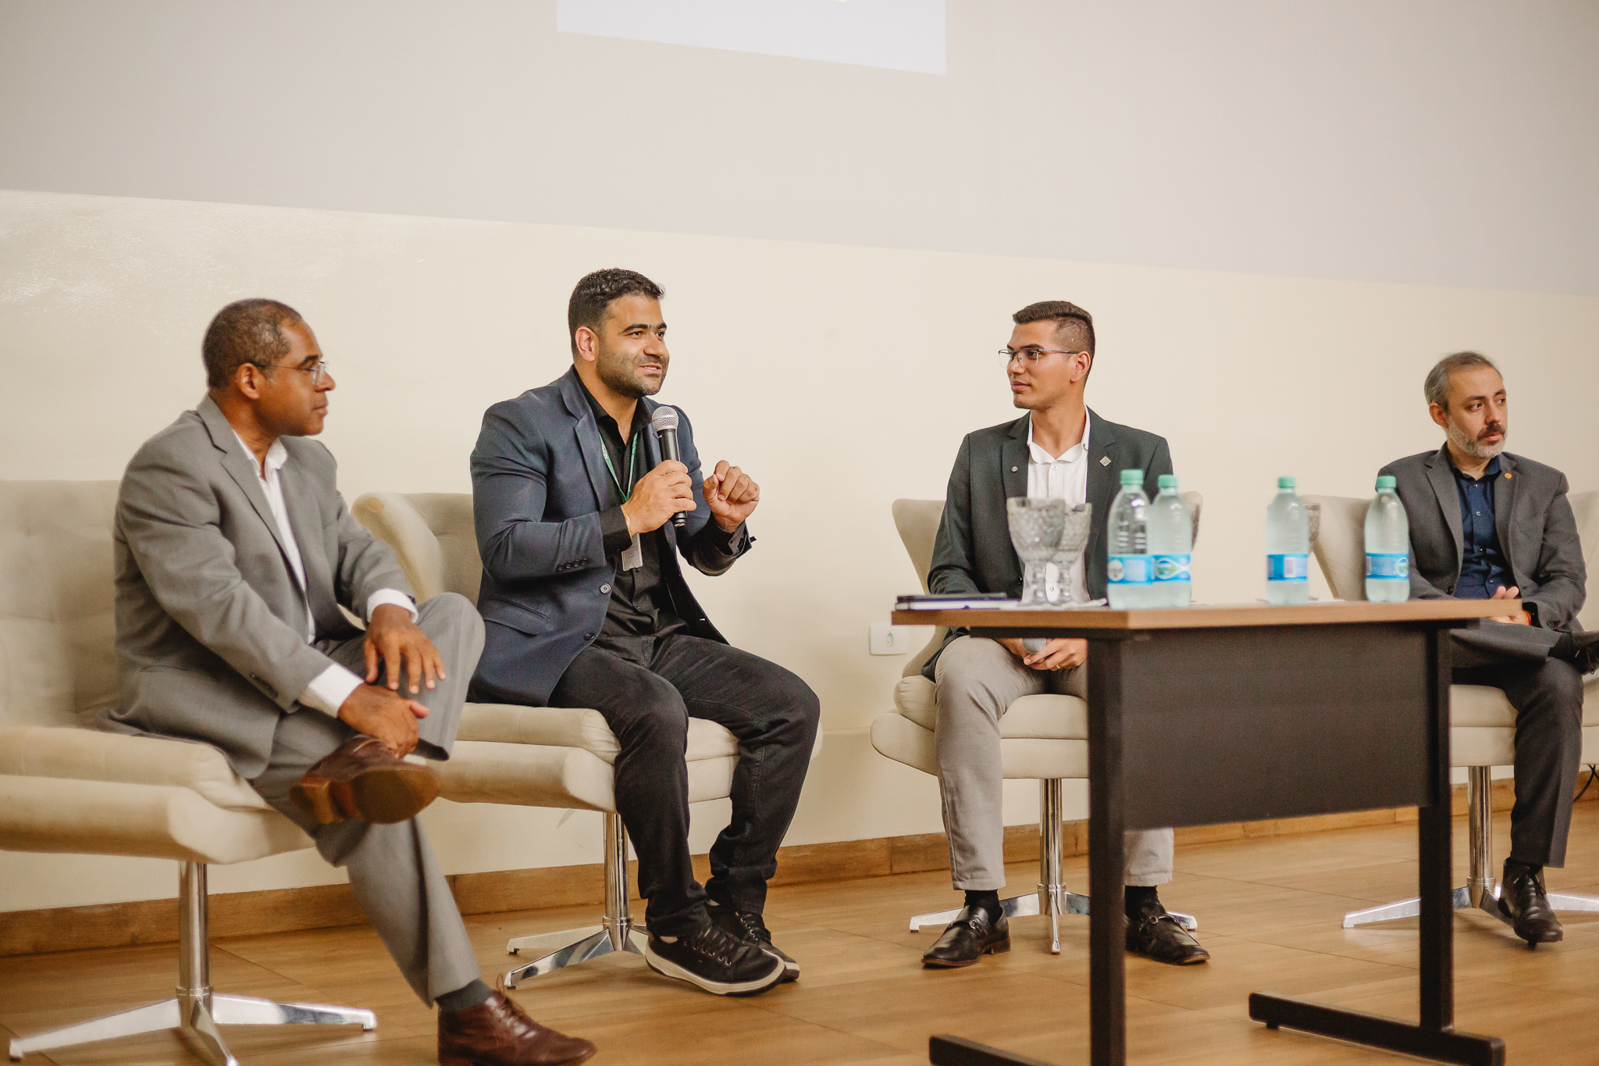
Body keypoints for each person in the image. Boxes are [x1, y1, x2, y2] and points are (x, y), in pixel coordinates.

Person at [105, 299, 595, 1066]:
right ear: (249, 379)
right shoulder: (171, 467)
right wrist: (351, 698)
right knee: (371, 812)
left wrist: (391, 611)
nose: (327, 382)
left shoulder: (307, 462)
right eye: (309, 368)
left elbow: (358, 553)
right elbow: (223, 614)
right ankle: (468, 1013)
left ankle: (378, 759)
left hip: (316, 658)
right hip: (213, 685)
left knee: (451, 615)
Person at [469, 268, 821, 997]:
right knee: (655, 708)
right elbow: (505, 547)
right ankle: (676, 922)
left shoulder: (669, 425)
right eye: (636, 332)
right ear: (586, 341)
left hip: (655, 632)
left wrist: (725, 525)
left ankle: (735, 904)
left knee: (791, 705)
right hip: (560, 640)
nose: (655, 347)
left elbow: (698, 551)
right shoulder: (520, 421)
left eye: (660, 331)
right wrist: (624, 518)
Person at [920, 300, 1207, 968]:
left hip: (1096, 636)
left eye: (1031, 354)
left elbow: (1161, 573)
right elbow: (948, 571)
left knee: (1142, 681)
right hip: (1003, 639)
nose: (1014, 366)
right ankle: (981, 905)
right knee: (960, 677)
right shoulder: (981, 450)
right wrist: (1009, 631)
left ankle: (1142, 903)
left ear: (1078, 365)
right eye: (1011, 354)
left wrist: (1094, 634)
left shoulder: (1140, 452)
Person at [1381, 351, 1597, 946]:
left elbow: (1567, 579)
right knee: (1552, 655)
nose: (1493, 417)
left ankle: (1525, 875)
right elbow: (1397, 580)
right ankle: (1568, 647)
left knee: (1559, 684)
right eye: (1475, 405)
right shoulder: (1401, 480)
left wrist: (1523, 614)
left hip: (1526, 640)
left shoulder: (1544, 483)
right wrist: (1479, 615)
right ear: (1440, 414)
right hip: (1446, 640)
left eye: (1499, 400)